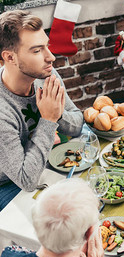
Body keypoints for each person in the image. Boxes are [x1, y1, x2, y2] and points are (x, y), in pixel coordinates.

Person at [0, 10, 83, 211]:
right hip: (9, 185)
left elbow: (78, 123)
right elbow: (26, 180)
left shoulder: (44, 75)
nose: (51, 57)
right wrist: (48, 119)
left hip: (44, 161)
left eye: (47, 46)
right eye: (37, 51)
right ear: (10, 57)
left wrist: (57, 114)